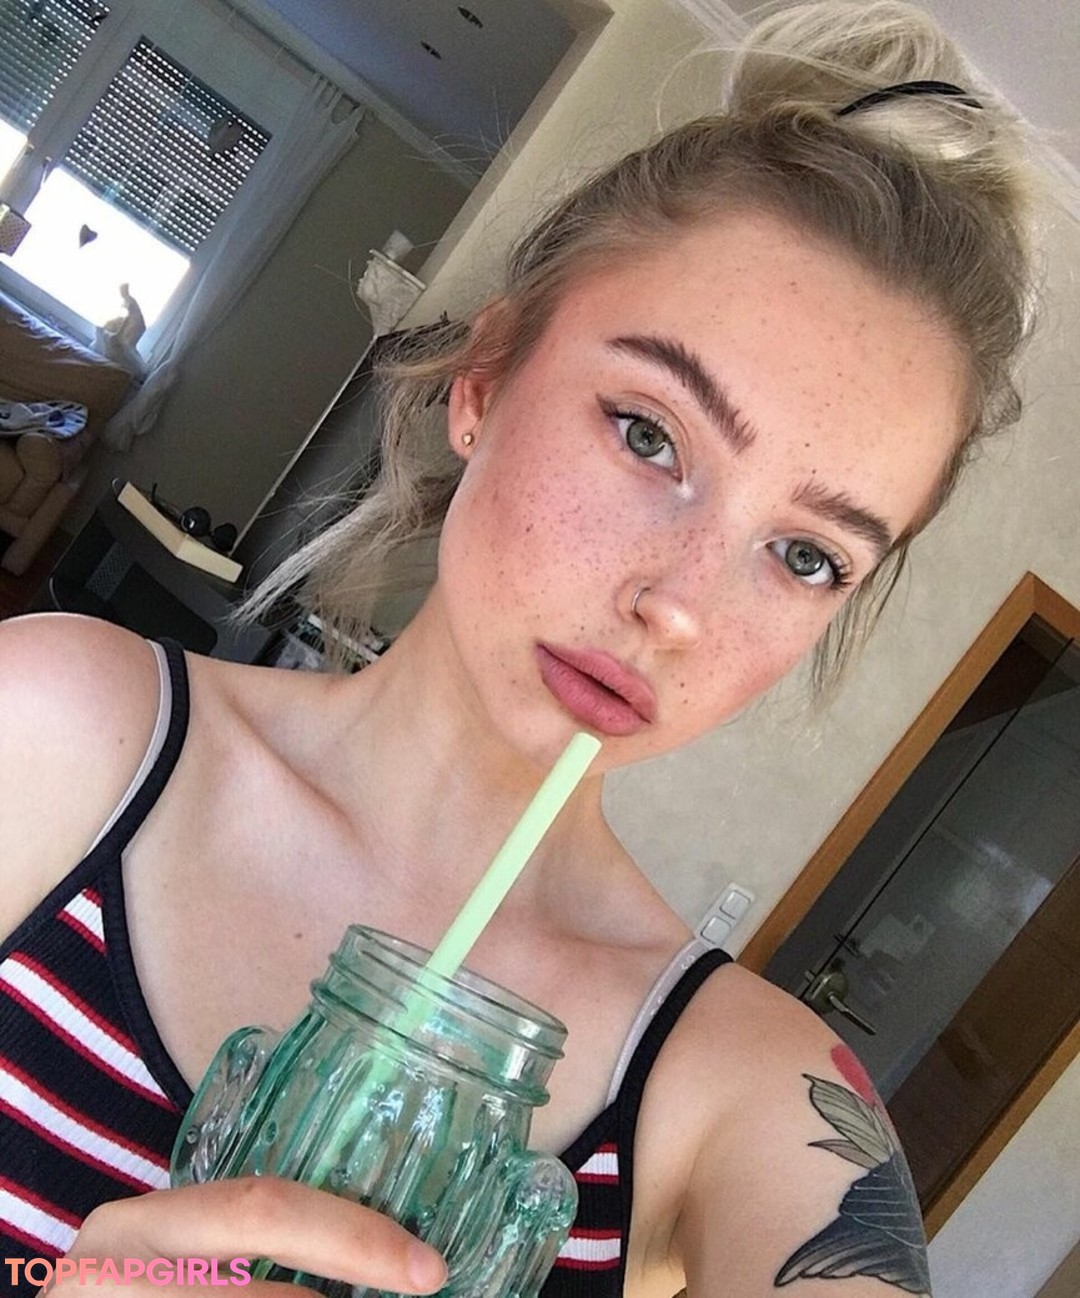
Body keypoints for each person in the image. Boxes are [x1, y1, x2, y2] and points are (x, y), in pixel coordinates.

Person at [0, 2, 1037, 1295]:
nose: (680, 606)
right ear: (484, 382)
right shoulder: (56, 729)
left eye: (807, 554)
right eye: (650, 435)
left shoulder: (742, 1090)